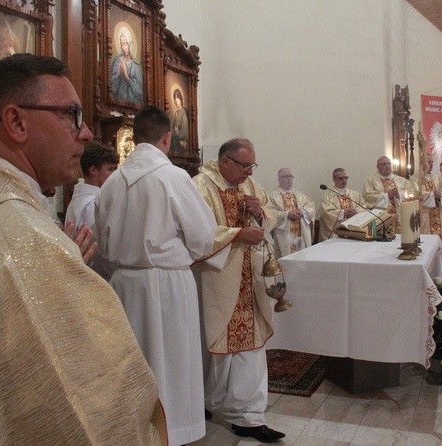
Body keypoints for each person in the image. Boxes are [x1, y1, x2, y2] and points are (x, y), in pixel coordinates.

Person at [0, 54, 166, 445]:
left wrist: (61, 261)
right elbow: (90, 409)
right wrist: (55, 263)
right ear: (16, 123)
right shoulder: (21, 235)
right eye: (71, 114)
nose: (87, 132)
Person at [96, 105, 216, 446]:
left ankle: (136, 433)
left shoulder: (112, 182)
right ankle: (173, 432)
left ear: (134, 140)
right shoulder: (174, 178)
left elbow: (102, 241)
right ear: (167, 138)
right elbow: (204, 236)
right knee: (173, 362)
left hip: (123, 283)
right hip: (167, 283)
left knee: (134, 363)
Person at [192, 138, 286, 443]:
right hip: (218, 278)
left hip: (251, 279)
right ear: (225, 161)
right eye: (244, 165)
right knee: (217, 346)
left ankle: (248, 415)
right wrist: (236, 234)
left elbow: (271, 216)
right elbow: (196, 232)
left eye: (252, 165)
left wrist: (260, 213)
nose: (249, 172)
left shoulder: (251, 185)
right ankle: (209, 401)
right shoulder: (199, 186)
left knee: (252, 347)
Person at [65, 141, 119, 233]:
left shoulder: (79, 198)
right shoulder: (92, 204)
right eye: (110, 169)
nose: (114, 175)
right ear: (93, 170)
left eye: (115, 169)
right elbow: (96, 242)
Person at [269, 167, 315, 256]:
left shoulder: (300, 195)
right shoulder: (273, 196)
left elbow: (311, 207)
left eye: (290, 176)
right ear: (279, 179)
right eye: (285, 176)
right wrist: (287, 215)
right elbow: (270, 214)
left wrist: (303, 212)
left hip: (300, 233)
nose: (289, 179)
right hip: (283, 235)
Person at [362, 155, 416, 229]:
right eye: (383, 164)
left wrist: (400, 194)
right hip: (381, 217)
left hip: (400, 216)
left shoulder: (401, 180)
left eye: (388, 164)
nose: (387, 166)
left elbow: (412, 193)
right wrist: (386, 195)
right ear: (377, 167)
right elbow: (367, 196)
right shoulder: (370, 181)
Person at [319, 168, 366, 241]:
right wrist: (344, 213)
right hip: (336, 234)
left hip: (355, 231)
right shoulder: (327, 196)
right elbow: (327, 213)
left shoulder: (355, 194)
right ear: (334, 179)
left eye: (346, 178)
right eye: (341, 178)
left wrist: (356, 211)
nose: (344, 180)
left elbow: (364, 206)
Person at [413, 154, 442, 242]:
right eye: (428, 162)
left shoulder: (436, 178)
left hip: (437, 213)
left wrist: (440, 195)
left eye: (432, 162)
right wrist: (431, 195)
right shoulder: (415, 178)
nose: (431, 164)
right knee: (426, 241)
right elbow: (415, 194)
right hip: (424, 214)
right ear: (421, 163)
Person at [110, 26, 144, 104]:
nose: (123, 47)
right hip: (118, 102)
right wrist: (118, 74)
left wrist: (127, 77)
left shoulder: (136, 65)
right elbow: (112, 89)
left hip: (132, 104)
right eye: (122, 44)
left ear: (130, 44)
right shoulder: (118, 61)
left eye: (125, 44)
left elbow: (139, 92)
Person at [170, 88, 189, 153]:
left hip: (182, 140)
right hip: (175, 138)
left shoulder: (183, 113)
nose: (176, 100)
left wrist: (178, 133)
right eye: (174, 98)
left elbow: (184, 129)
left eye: (177, 98)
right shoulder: (176, 113)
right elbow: (172, 127)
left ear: (181, 99)